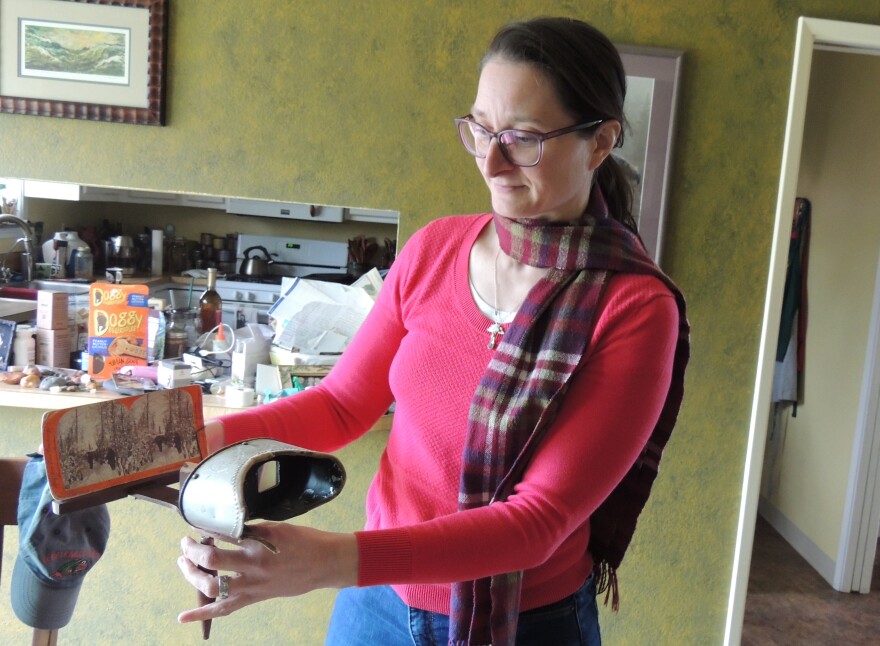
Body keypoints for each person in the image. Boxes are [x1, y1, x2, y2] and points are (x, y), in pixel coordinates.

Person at [177, 16, 689, 646]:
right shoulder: (435, 249)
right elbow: (341, 405)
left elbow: (537, 522)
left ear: (601, 141)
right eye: (480, 130)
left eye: (523, 138)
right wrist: (195, 441)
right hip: (378, 610)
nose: (492, 161)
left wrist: (330, 562)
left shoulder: (634, 308)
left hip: (529, 623)